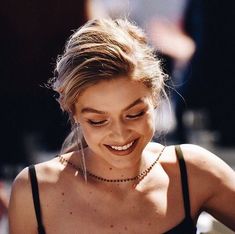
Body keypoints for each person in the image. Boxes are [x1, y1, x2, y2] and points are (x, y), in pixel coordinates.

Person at [8, 18, 235, 234]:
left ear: (155, 98)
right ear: (74, 113)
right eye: (98, 121)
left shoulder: (192, 171)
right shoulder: (35, 191)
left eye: (134, 114)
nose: (120, 134)